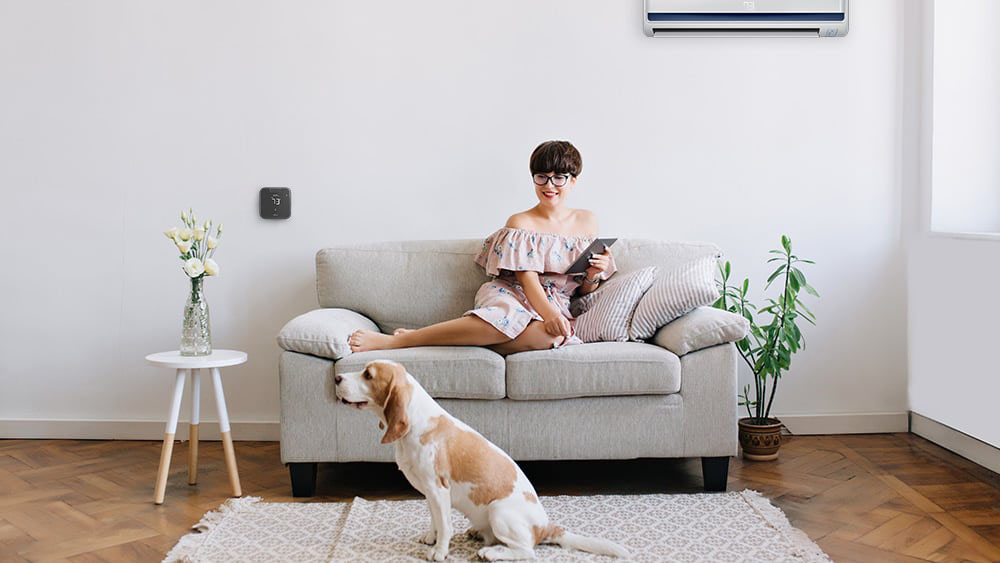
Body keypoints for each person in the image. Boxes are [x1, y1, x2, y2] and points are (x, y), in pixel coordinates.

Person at [348, 140, 616, 355]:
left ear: (573, 180)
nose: (549, 185)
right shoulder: (520, 222)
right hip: (514, 294)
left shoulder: (587, 221)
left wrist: (593, 275)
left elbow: (583, 288)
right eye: (541, 177)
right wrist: (549, 313)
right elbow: (527, 278)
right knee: (507, 317)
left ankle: (439, 341)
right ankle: (401, 342)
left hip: (557, 301)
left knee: (552, 336)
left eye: (559, 178)